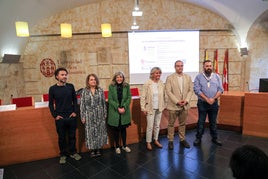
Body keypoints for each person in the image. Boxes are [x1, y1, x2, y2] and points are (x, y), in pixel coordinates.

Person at [48, 67, 82, 164]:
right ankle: (63, 154)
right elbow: (50, 104)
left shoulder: (70, 86)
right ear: (57, 76)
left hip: (71, 116)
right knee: (62, 138)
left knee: (72, 136)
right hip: (60, 118)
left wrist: (75, 112)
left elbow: (75, 100)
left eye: (65, 74)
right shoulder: (52, 89)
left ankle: (73, 152)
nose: (64, 76)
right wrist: (55, 116)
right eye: (62, 75)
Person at [193, 59, 223, 146]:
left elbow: (221, 89)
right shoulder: (198, 77)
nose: (209, 67)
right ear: (203, 67)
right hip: (202, 103)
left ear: (212, 66)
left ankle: (215, 138)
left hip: (214, 103)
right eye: (207, 66)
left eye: (210, 66)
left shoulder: (217, 77)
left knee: (213, 122)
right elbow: (196, 90)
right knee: (201, 122)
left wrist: (213, 99)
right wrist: (207, 99)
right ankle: (198, 138)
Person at [165, 60, 193, 149]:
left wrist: (187, 100)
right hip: (173, 105)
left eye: (181, 66)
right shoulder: (170, 78)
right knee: (171, 124)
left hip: (185, 105)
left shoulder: (188, 77)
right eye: (178, 66)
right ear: (175, 67)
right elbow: (168, 91)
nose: (180, 67)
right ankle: (170, 140)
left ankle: (182, 139)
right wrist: (177, 101)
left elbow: (190, 90)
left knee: (182, 123)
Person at [80, 74, 107, 158]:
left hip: (99, 114)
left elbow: (103, 103)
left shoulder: (100, 90)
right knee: (90, 133)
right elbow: (82, 104)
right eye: (91, 79)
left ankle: (98, 148)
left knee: (99, 132)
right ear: (88, 81)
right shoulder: (84, 91)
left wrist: (105, 113)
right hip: (89, 115)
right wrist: (82, 116)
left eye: (95, 79)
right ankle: (92, 149)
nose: (93, 81)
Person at [140, 67, 166, 151]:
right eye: (156, 73)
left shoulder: (161, 83)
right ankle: (148, 142)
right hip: (150, 108)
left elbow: (164, 95)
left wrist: (164, 105)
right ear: (152, 74)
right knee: (150, 126)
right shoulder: (147, 83)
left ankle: (156, 140)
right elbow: (143, 97)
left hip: (159, 107)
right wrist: (143, 108)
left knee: (157, 125)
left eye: (159, 73)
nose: (158, 74)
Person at [107, 71, 132, 154]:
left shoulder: (127, 86)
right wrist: (118, 107)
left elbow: (129, 97)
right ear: (115, 78)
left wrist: (124, 107)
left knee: (123, 129)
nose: (119, 78)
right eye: (117, 77)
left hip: (124, 111)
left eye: (121, 77)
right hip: (115, 111)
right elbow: (110, 99)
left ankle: (124, 146)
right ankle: (117, 146)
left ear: (123, 78)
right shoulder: (111, 86)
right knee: (116, 130)